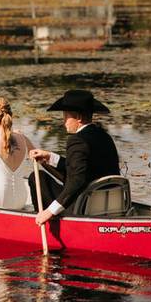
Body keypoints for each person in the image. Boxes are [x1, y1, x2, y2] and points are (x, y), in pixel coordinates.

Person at [28, 89, 120, 225]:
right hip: (111, 205)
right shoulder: (104, 136)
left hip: (84, 207)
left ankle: (44, 222)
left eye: (66, 115)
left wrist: (49, 212)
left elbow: (76, 180)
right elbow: (81, 169)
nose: (64, 120)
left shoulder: (77, 140)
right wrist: (49, 157)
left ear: (78, 117)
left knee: (37, 178)